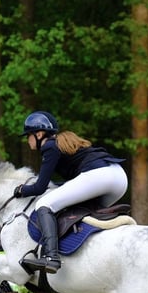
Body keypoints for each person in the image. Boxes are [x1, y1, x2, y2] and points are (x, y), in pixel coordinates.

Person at [14, 111, 128, 274]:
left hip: (99, 176)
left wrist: (21, 190)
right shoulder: (59, 144)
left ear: (39, 134)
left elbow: (39, 188)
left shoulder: (49, 146)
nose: (27, 140)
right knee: (82, 211)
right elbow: (71, 185)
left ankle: (51, 257)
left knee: (44, 204)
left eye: (28, 135)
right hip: (119, 177)